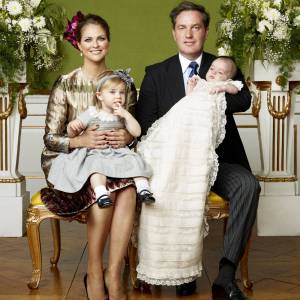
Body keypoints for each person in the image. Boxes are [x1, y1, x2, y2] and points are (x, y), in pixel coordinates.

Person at [136, 2, 261, 300]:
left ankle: (226, 274)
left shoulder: (221, 66)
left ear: (205, 31)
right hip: (175, 163)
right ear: (173, 33)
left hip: (218, 161)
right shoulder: (156, 74)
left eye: (195, 27)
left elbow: (244, 99)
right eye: (182, 27)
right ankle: (181, 271)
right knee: (170, 192)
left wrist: (211, 94)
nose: (189, 34)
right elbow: (146, 124)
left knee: (249, 186)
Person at [41, 12, 136, 300]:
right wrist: (81, 140)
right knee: (104, 189)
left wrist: (127, 137)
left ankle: (114, 274)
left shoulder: (123, 84)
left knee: (129, 191)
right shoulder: (66, 83)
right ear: (79, 45)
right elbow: (50, 139)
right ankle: (94, 272)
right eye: (89, 39)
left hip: (112, 157)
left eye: (101, 38)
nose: (96, 44)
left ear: (109, 42)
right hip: (69, 160)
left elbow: (132, 128)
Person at [47, 69, 155, 207]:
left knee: (134, 160)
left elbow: (136, 132)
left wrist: (126, 115)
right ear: (100, 96)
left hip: (117, 152)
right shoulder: (92, 112)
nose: (118, 96)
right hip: (96, 151)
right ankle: (101, 193)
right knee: (96, 167)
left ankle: (143, 189)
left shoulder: (122, 114)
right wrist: (73, 127)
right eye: (112, 92)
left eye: (122, 93)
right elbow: (72, 134)